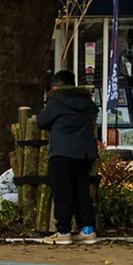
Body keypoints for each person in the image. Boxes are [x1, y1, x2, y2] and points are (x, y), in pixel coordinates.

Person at [40, 68, 100, 244]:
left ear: (55, 86)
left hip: (62, 153)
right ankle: (88, 229)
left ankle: (64, 232)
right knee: (82, 191)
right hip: (84, 153)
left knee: (63, 192)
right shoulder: (87, 102)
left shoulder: (56, 101)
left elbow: (42, 122)